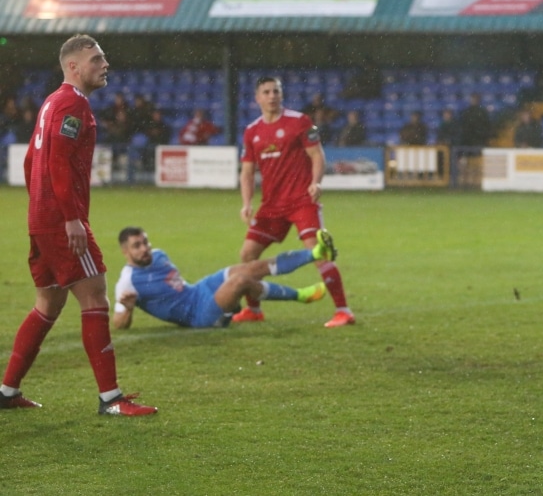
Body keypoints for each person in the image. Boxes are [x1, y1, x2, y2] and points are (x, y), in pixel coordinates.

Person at [1, 34, 157, 415]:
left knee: (48, 303)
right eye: (96, 59)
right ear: (73, 66)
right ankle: (111, 399)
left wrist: (40, 209)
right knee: (95, 297)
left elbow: (31, 163)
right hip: (60, 221)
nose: (105, 65)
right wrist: (69, 218)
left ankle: (6, 392)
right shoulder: (71, 103)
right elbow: (55, 163)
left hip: (42, 219)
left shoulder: (52, 102)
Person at [238, 76, 354, 328]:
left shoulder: (299, 122)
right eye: (266, 92)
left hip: (302, 200)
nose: (272, 96)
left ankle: (343, 311)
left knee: (319, 252)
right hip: (271, 206)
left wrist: (316, 182)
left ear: (281, 94)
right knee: (247, 254)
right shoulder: (252, 131)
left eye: (276, 91)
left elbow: (317, 155)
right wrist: (246, 203)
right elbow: (247, 172)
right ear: (257, 98)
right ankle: (254, 309)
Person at [113, 227, 335, 329]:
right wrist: (129, 308)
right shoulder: (128, 281)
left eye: (145, 242)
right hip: (197, 316)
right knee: (240, 282)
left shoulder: (159, 254)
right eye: (137, 246)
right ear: (125, 252)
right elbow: (119, 324)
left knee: (249, 268)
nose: (145, 248)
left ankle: (315, 254)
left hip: (198, 291)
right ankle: (300, 295)